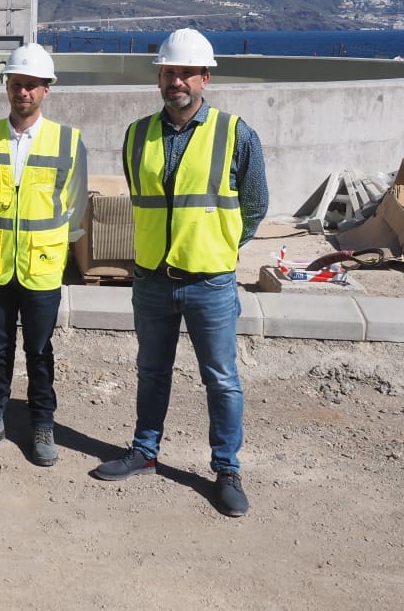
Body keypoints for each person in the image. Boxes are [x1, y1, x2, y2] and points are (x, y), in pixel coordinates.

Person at [90, 28, 268, 518]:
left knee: (222, 380)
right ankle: (145, 452)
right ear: (160, 78)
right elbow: (143, 198)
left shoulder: (236, 133)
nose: (177, 81)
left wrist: (221, 245)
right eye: (169, 72)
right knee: (151, 371)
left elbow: (255, 204)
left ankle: (226, 470)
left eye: (186, 72)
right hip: (151, 279)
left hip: (209, 281)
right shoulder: (137, 134)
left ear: (205, 78)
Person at [0, 43, 87, 467]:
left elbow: (75, 208)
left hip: (42, 267)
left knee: (39, 350)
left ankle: (42, 424)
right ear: (7, 87)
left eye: (32, 85)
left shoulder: (67, 142)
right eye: (17, 84)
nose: (23, 92)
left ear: (46, 90)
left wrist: (55, 252)